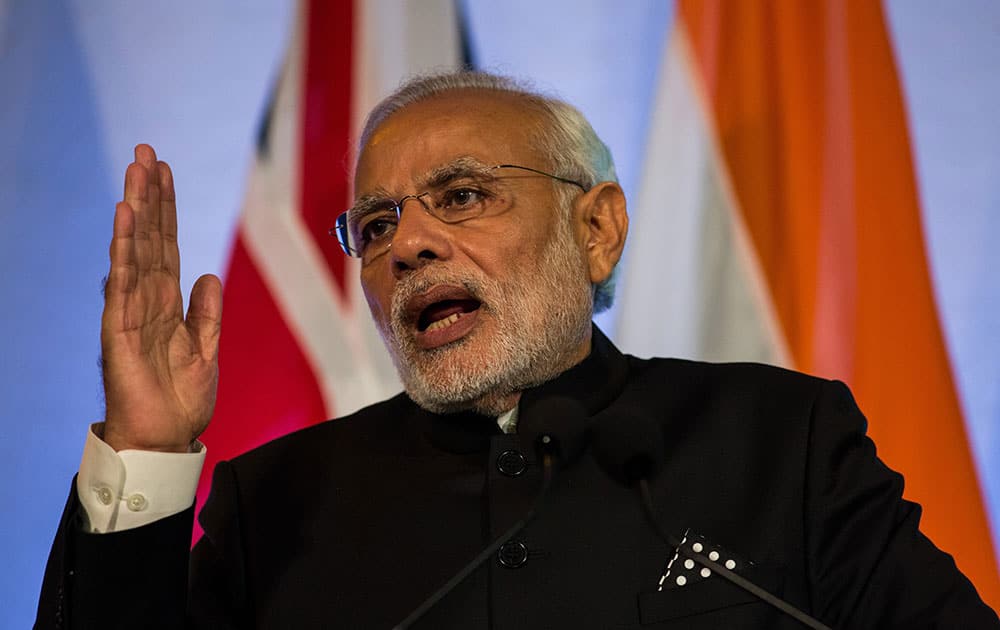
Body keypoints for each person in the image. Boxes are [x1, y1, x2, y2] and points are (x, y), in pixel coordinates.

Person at [36, 71, 998, 629]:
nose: (405, 244)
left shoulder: (780, 445)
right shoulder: (278, 507)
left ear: (597, 229)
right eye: (374, 225)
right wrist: (151, 452)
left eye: (460, 196)